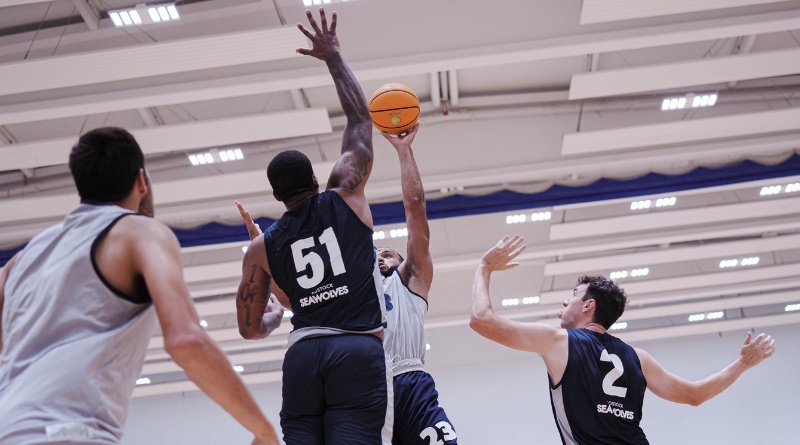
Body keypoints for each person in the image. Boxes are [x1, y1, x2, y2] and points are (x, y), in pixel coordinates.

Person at [0, 127, 279, 445]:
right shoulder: (140, 232)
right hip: (71, 431)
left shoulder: (19, 261)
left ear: (80, 188)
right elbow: (186, 341)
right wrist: (263, 431)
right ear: (142, 181)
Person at [234, 8, 391, 445]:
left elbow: (249, 329)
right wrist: (333, 58)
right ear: (315, 180)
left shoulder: (261, 247)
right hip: (356, 349)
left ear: (276, 195)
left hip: (302, 354)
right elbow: (361, 122)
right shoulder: (346, 194)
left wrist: (273, 316)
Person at [470, 235, 777, 445]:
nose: (565, 304)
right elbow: (694, 395)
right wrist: (742, 364)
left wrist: (484, 268)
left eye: (573, 296)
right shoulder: (637, 358)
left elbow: (481, 320)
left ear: (589, 306)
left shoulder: (557, 341)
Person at [375, 125, 457, 445]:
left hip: (409, 381)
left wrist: (403, 151)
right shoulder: (354, 294)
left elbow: (416, 213)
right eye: (374, 256)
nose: (380, 259)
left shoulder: (410, 281)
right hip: (368, 388)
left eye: (387, 254)